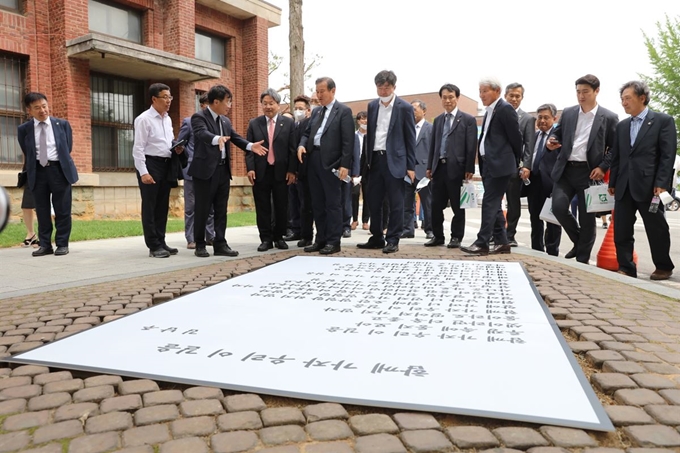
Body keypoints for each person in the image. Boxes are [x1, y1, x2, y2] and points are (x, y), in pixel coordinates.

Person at [546, 74, 618, 264]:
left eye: (585, 92)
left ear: (597, 91)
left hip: (589, 173)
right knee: (558, 208)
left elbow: (616, 148)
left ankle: (582, 259)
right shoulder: (569, 112)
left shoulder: (609, 117)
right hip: (565, 170)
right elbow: (557, 132)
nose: (581, 96)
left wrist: (603, 167)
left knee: (587, 219)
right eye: (578, 92)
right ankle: (579, 242)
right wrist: (552, 141)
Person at [608, 80, 675, 281]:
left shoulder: (662, 121)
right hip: (624, 185)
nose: (624, 103)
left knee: (657, 229)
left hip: (651, 186)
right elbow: (617, 156)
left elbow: (667, 155)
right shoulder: (622, 126)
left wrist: (662, 183)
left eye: (627, 98)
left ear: (642, 98)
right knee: (621, 228)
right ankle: (626, 267)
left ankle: (663, 266)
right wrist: (612, 182)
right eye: (622, 99)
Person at [189, 84, 267, 258]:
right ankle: (200, 244)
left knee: (220, 209)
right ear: (216, 102)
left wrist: (250, 145)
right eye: (227, 102)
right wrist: (218, 139)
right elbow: (202, 134)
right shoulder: (199, 117)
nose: (229, 106)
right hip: (204, 172)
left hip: (223, 171)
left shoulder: (225, 120)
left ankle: (220, 243)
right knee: (202, 209)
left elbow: (235, 138)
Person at [461, 78, 522, 256]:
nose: (481, 95)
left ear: (497, 91)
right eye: (480, 91)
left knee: (489, 202)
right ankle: (502, 242)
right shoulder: (489, 111)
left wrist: (513, 160)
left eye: (485, 91)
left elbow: (516, 138)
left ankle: (482, 242)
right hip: (488, 163)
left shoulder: (505, 109)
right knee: (493, 205)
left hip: (501, 164)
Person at [358, 70, 416, 254]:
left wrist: (410, 166)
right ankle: (376, 237)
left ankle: (393, 239)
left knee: (396, 203)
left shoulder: (404, 108)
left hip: (395, 161)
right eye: (380, 87)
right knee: (373, 202)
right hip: (375, 160)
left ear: (394, 87)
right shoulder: (372, 106)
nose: (383, 91)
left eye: (387, 87)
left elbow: (410, 137)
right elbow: (370, 135)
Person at [297, 77, 355, 255]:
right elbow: (307, 133)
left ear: (333, 91)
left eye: (322, 91)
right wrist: (301, 144)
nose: (319, 95)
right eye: (317, 91)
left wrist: (345, 164)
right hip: (313, 160)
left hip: (332, 163)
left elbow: (348, 141)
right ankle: (320, 239)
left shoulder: (343, 111)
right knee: (317, 203)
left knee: (332, 203)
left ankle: (333, 241)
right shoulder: (316, 112)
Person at [17, 92, 78, 257]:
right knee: (42, 210)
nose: (42, 110)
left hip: (59, 170)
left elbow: (67, 148)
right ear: (30, 111)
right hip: (37, 171)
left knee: (62, 209)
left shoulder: (62, 124)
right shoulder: (24, 129)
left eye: (44, 106)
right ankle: (45, 245)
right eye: (37, 108)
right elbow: (27, 151)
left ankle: (62, 244)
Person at [132, 83, 185, 258]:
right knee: (150, 206)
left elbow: (167, 141)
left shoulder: (167, 119)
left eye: (170, 97)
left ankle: (161, 241)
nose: (168, 101)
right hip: (150, 164)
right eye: (165, 97)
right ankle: (153, 245)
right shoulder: (144, 119)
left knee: (162, 206)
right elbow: (138, 149)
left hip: (166, 164)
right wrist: (144, 172)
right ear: (154, 99)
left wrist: (176, 147)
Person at [426, 83, 477, 248]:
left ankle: (456, 237)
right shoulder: (438, 120)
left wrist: (469, 168)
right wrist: (429, 166)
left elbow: (471, 146)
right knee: (435, 205)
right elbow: (433, 145)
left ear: (457, 98)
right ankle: (438, 236)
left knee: (457, 206)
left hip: (457, 169)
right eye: (444, 98)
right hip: (439, 168)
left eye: (451, 97)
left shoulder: (468, 120)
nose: (447, 101)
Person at [246, 88, 297, 252]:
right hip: (261, 171)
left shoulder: (288, 123)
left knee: (282, 205)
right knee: (262, 206)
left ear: (278, 104)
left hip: (281, 171)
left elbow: (292, 149)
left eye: (271, 103)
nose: (268, 106)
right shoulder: (254, 123)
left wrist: (292, 171)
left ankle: (279, 237)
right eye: (265, 103)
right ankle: (265, 238)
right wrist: (250, 168)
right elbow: (249, 149)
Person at [178, 94, 215, 250]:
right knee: (191, 206)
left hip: (210, 170)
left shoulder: (217, 123)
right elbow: (179, 143)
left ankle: (210, 236)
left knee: (210, 207)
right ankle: (191, 238)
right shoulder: (189, 121)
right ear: (202, 105)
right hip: (192, 171)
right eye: (207, 105)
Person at [526, 103, 562, 256]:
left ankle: (552, 252)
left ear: (554, 118)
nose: (542, 121)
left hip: (552, 183)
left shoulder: (558, 136)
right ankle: (536, 250)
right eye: (539, 117)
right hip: (534, 182)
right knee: (535, 217)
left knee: (552, 220)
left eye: (546, 118)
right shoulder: (533, 136)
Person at [504, 83, 536, 247]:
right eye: (511, 95)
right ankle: (495, 233)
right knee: (493, 202)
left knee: (513, 202)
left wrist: (526, 166)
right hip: (496, 167)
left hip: (515, 168)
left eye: (518, 96)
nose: (514, 99)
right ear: (505, 96)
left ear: (522, 98)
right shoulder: (497, 114)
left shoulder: (528, 119)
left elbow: (529, 145)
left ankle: (510, 235)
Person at [284, 95, 314, 247]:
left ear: (308, 110)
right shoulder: (291, 125)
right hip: (292, 171)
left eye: (301, 109)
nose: (298, 112)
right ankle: (295, 229)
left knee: (305, 204)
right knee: (293, 202)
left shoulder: (309, 124)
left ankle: (306, 234)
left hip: (305, 170)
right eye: (295, 109)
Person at [402, 100, 433, 239]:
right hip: (407, 171)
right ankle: (407, 229)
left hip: (424, 171)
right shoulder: (405, 128)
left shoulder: (431, 128)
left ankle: (430, 229)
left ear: (424, 111)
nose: (412, 112)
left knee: (428, 203)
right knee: (406, 202)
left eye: (414, 109)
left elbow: (434, 150)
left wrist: (431, 168)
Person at [352, 111, 370, 231]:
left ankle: (365, 220)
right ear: (358, 121)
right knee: (354, 194)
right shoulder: (353, 136)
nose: (365, 121)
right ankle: (354, 219)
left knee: (368, 194)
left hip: (367, 168)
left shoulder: (371, 137)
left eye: (366, 119)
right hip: (356, 167)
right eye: (362, 119)